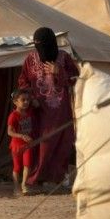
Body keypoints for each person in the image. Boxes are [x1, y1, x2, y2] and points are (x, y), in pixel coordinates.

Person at [18, 27, 79, 188]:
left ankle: (58, 178)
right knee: (44, 145)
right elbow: (23, 82)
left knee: (63, 144)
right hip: (40, 111)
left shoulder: (64, 58)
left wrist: (59, 72)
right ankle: (36, 179)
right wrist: (31, 98)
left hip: (61, 110)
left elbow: (75, 78)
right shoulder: (30, 59)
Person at [7, 89, 35, 195]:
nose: (26, 102)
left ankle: (24, 185)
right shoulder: (13, 116)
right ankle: (16, 187)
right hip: (17, 146)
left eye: (28, 100)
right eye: (23, 100)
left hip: (27, 145)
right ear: (15, 102)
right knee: (17, 167)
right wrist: (21, 136)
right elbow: (9, 132)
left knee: (27, 164)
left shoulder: (28, 114)